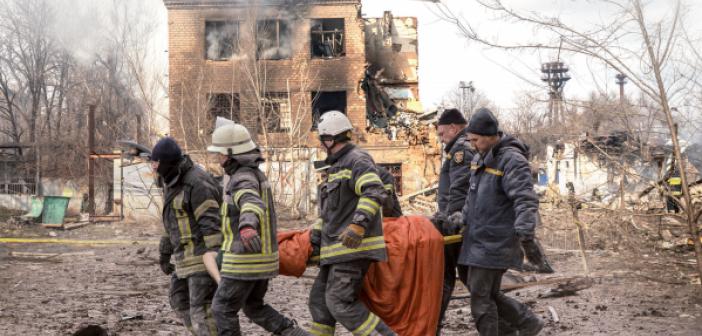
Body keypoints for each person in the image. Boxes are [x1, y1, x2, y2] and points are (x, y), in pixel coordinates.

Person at [207, 124, 309, 336]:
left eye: (220, 153)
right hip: (261, 259)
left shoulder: (242, 177)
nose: (218, 158)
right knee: (254, 306)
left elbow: (250, 202)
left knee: (222, 308)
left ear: (231, 154)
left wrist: (246, 226)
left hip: (244, 260)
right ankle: (294, 333)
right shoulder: (253, 174)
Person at [308, 111, 396, 335]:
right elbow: (331, 212)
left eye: (322, 140)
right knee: (319, 301)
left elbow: (374, 191)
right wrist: (316, 238)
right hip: (336, 250)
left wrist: (358, 225)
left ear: (329, 139)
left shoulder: (357, 160)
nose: (321, 145)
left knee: (339, 302)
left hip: (353, 249)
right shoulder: (336, 167)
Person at [459, 108, 544, 336]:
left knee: (480, 297)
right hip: (477, 239)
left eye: (475, 140)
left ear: (489, 135)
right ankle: (525, 324)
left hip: (496, 240)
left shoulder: (511, 161)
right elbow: (472, 197)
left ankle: (522, 325)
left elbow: (525, 200)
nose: (473, 145)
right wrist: (460, 219)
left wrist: (526, 235)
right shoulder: (480, 159)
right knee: (485, 292)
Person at [152, 137, 221, 336]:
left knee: (202, 310)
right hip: (184, 260)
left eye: (155, 163)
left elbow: (212, 225)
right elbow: (170, 223)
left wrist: (215, 261)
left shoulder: (197, 182)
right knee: (178, 300)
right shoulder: (171, 182)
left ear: (165, 163)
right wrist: (165, 255)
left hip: (202, 259)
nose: (153, 167)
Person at [431, 108, 475, 334]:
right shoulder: (460, 146)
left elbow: (459, 188)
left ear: (453, 128)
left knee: (448, 276)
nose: (440, 139)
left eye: (441, 134)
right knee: (465, 277)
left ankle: (432, 326)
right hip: (455, 223)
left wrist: (450, 218)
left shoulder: (460, 149)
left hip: (455, 225)